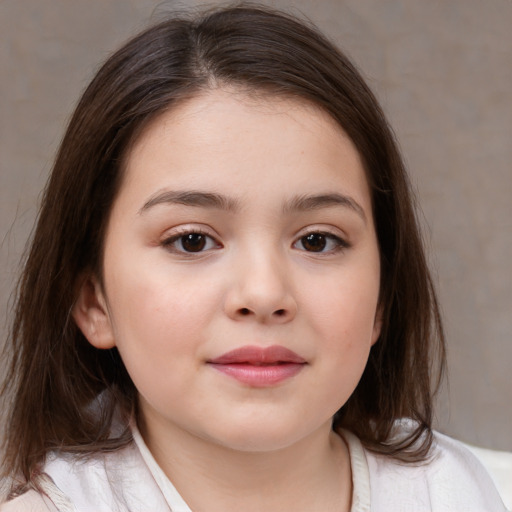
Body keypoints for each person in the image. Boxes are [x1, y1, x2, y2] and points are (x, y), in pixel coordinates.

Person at [0, 4, 507, 511]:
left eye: (317, 241)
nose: (264, 294)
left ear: (381, 298)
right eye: (192, 240)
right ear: (94, 302)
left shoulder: (454, 492)